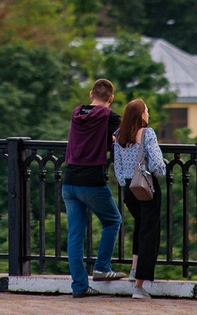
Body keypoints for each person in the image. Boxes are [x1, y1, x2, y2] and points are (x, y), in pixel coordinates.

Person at [63, 78, 123, 297]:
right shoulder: (111, 117)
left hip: (69, 180)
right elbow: (125, 137)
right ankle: (102, 268)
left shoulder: (77, 113)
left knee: (75, 235)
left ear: (91, 95)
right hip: (91, 180)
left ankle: (79, 286)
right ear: (111, 98)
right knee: (112, 220)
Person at [113, 98, 166, 300]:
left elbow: (117, 167)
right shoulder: (147, 133)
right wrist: (159, 172)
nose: (148, 114)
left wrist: (125, 182)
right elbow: (157, 164)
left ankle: (134, 269)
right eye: (146, 111)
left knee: (139, 228)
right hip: (147, 188)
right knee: (148, 233)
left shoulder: (119, 136)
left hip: (129, 189)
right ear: (142, 115)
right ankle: (139, 286)